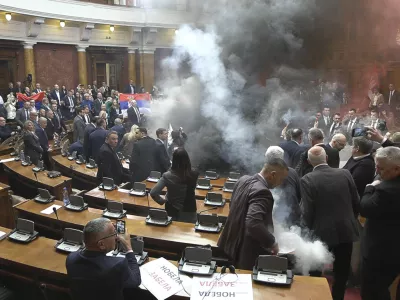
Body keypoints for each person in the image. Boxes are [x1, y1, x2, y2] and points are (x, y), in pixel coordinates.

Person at [300, 146, 359, 300]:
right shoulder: (345, 173)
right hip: (346, 230)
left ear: (308, 162)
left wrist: (305, 234)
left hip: (320, 233)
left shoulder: (307, 179)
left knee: (315, 273)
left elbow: (307, 211)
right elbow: (356, 202)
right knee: (341, 273)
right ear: (326, 159)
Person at [218, 157, 288, 270]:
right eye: (281, 179)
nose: (280, 184)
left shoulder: (242, 179)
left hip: (231, 245)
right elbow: (253, 223)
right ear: (273, 175)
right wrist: (272, 242)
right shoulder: (263, 192)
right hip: (247, 253)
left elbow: (234, 207)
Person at [359, 147, 400, 300]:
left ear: (397, 168)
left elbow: (364, 208)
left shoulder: (387, 190)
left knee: (372, 292)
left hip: (381, 253)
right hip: (394, 250)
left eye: (380, 168)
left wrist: (369, 188)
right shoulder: (390, 179)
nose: (377, 171)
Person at [66, 218, 141, 300]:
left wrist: (109, 227)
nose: (116, 237)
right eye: (114, 234)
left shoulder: (71, 259)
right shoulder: (117, 265)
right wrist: (128, 247)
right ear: (101, 244)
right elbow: (135, 281)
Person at [150, 148, 199, 223]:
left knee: (171, 232)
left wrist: (162, 201)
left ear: (174, 160)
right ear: (187, 159)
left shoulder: (167, 176)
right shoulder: (194, 173)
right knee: (188, 232)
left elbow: (153, 192)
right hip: (189, 209)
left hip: (172, 209)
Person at [265, 146, 301, 227]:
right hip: (291, 216)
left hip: (276, 217)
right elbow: (299, 195)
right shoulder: (292, 172)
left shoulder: (264, 174)